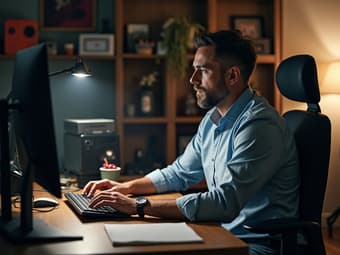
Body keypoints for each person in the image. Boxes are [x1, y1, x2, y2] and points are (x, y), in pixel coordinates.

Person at [83, 30, 300, 255]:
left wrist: (138, 206)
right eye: (194, 69)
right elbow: (178, 173)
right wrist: (127, 188)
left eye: (203, 70)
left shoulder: (259, 126)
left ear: (232, 76)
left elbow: (225, 202)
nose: (192, 79)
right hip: (222, 234)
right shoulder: (213, 119)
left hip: (255, 245)